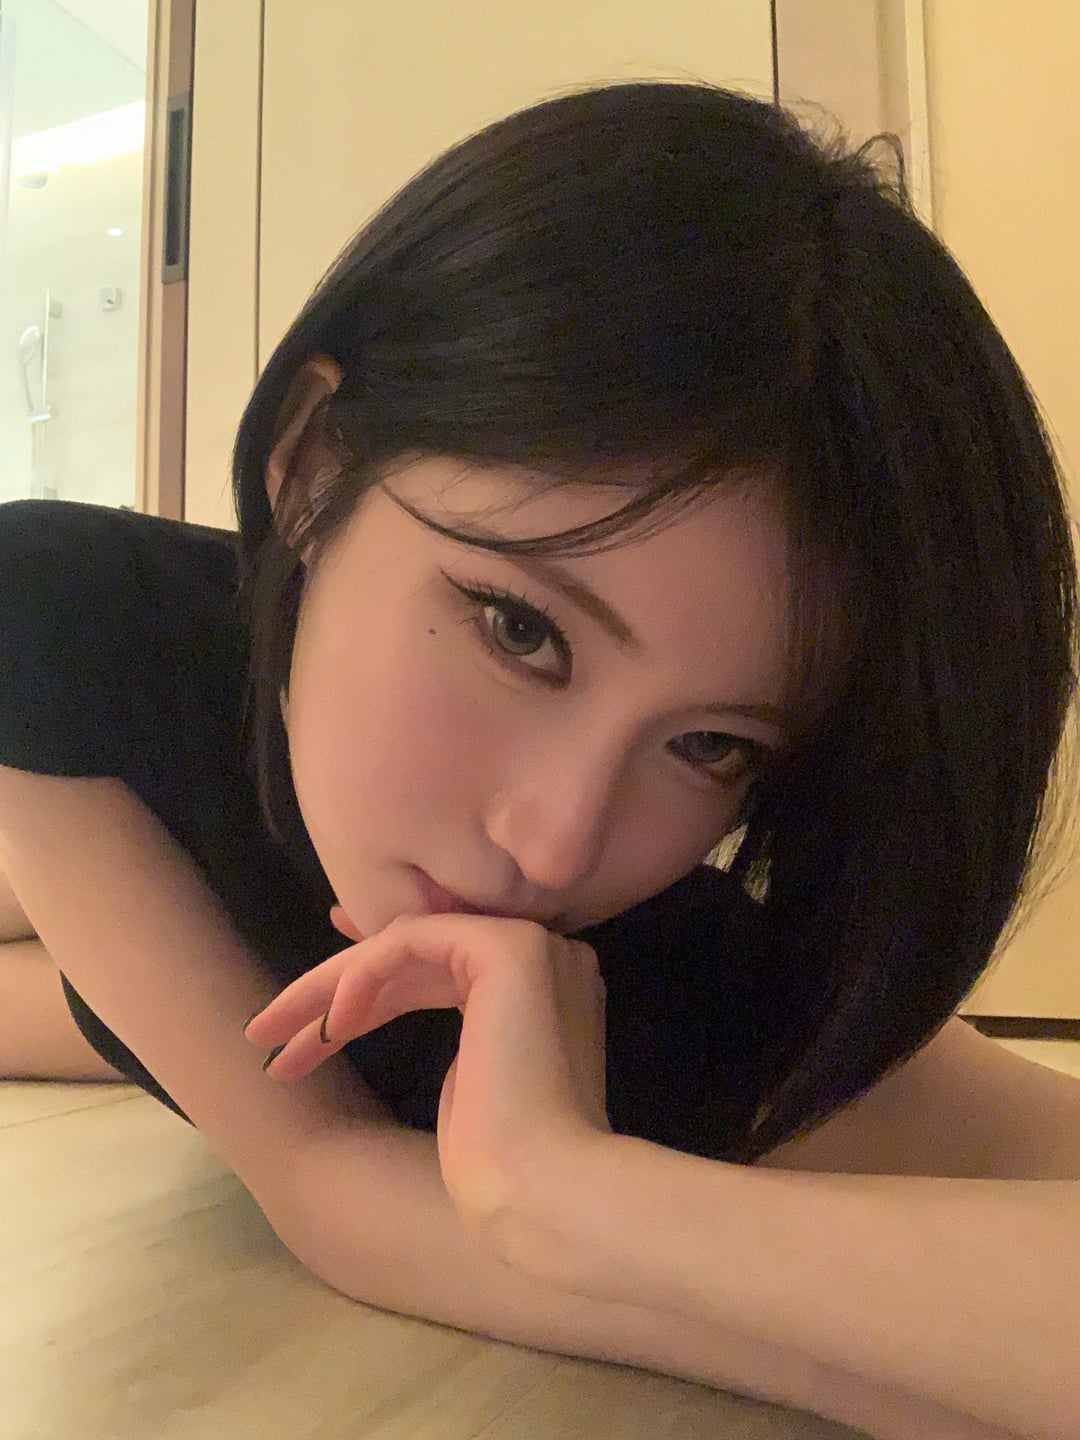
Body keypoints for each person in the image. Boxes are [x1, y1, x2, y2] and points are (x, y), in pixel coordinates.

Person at [1, 81, 1077, 1433]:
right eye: (521, 630)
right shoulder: (71, 628)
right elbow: (332, 1194)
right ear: (313, 463)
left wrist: (579, 1190)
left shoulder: (691, 999)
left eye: (709, 746)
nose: (558, 845)